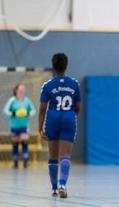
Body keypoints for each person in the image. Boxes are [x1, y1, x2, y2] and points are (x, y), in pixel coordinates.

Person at [39, 53, 81, 198]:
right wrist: (72, 118)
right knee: (65, 155)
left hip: (53, 118)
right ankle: (63, 183)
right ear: (66, 65)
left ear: (53, 66)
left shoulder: (48, 85)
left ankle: (54, 188)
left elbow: (43, 108)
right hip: (68, 117)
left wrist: (40, 128)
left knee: (53, 155)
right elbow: (78, 106)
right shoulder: (74, 84)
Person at [2, 84, 36, 168]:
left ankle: (25, 161)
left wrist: (27, 113)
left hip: (24, 125)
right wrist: (13, 113)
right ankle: (15, 162)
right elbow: (5, 111)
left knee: (24, 142)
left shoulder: (27, 100)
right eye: (20, 90)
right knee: (15, 144)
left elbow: (33, 111)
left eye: (23, 90)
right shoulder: (12, 100)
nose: (21, 91)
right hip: (14, 126)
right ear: (16, 91)